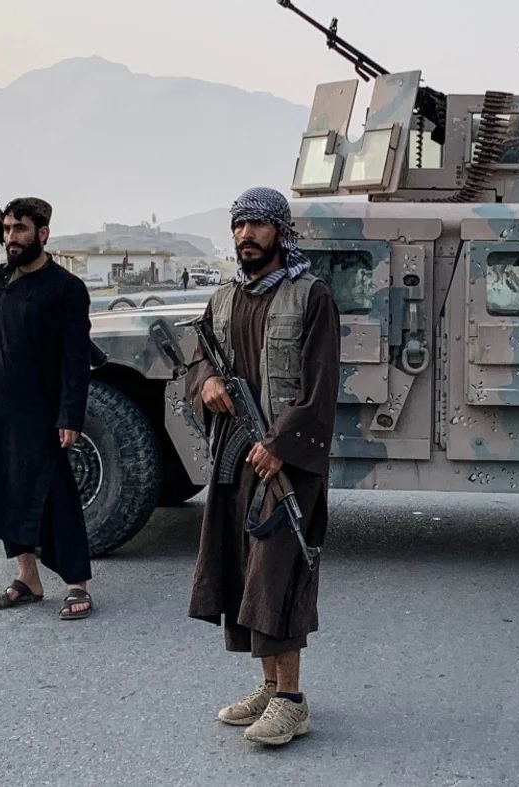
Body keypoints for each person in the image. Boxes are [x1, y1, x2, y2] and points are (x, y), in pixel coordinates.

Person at [184, 186, 341, 746]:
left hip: (286, 462)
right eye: (238, 225)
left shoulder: (311, 296)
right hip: (235, 457)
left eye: (257, 224)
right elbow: (198, 357)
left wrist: (280, 445)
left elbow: (321, 387)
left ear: (280, 231)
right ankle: (271, 686)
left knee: (279, 572)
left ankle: (292, 701)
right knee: (246, 571)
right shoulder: (224, 297)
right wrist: (205, 382)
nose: (246, 234)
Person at [0, 197, 96, 621]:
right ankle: (27, 578)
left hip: (39, 410)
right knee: (5, 489)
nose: (11, 237)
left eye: (20, 229)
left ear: (42, 233)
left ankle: (77, 584)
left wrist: (70, 415)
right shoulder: (1, 278)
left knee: (55, 495)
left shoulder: (66, 288)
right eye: (8, 229)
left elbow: (75, 360)